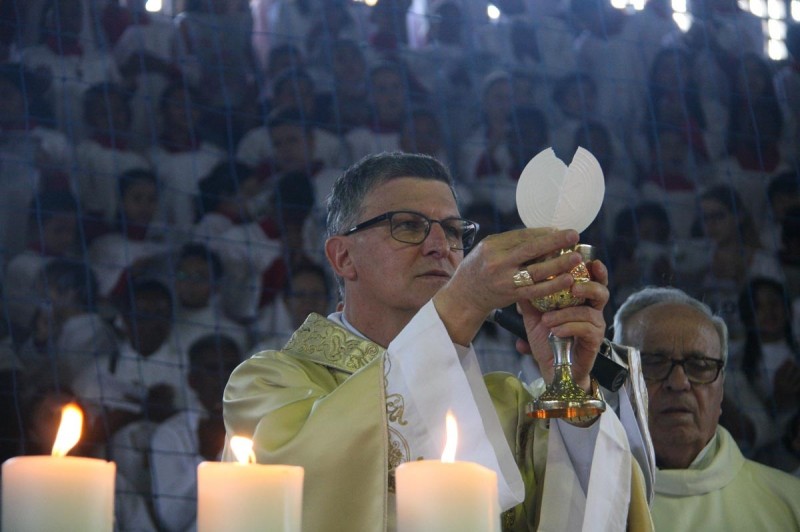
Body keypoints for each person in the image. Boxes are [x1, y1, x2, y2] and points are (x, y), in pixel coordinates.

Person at [224, 152, 654, 531]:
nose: (439, 247)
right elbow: (306, 485)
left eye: (452, 231)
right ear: (343, 257)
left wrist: (570, 387)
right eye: (408, 226)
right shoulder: (268, 386)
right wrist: (459, 307)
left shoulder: (506, 402)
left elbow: (592, 512)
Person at [612, 285, 800, 530]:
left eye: (699, 365)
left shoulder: (790, 503)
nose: (678, 383)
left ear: (721, 390)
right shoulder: (578, 497)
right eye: (653, 363)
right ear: (618, 382)